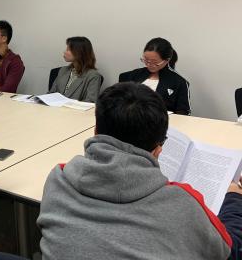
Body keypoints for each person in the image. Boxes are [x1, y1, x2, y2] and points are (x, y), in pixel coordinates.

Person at [38, 82, 233, 260]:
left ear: (96, 131)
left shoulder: (59, 178)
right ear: (157, 150)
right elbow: (226, 251)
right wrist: (234, 198)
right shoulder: (184, 202)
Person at [119, 37, 190, 114]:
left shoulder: (179, 82)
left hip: (161, 120)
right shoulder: (129, 76)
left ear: (167, 60)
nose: (149, 65)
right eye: (146, 60)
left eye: (154, 62)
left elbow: (183, 112)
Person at [48, 36, 101, 103]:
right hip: (55, 108)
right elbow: (51, 93)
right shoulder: (63, 70)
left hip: (74, 109)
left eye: (68, 49)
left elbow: (91, 102)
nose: (64, 52)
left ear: (79, 52)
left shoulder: (93, 76)